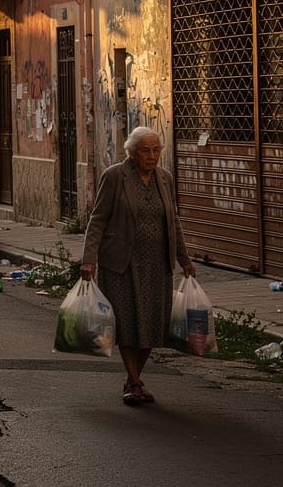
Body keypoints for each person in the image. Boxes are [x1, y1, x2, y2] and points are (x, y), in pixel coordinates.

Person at [80, 126, 195, 406]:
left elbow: (173, 222)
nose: (152, 156)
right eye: (146, 150)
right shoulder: (115, 177)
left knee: (154, 326)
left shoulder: (164, 179)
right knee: (128, 323)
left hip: (157, 264)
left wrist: (185, 260)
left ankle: (134, 377)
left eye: (156, 150)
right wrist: (89, 260)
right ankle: (134, 382)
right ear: (132, 153)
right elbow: (97, 220)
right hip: (122, 264)